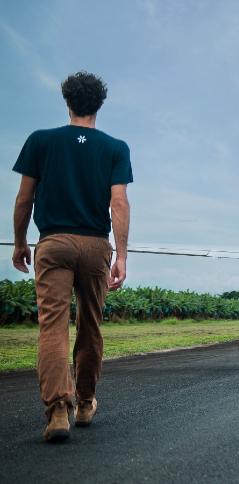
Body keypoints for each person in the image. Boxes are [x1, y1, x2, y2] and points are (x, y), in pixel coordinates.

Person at [11, 71, 133, 442]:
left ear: (67, 102)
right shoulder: (115, 148)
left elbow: (23, 199)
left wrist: (20, 242)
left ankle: (57, 410)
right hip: (96, 245)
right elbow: (119, 202)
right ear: (99, 105)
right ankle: (84, 402)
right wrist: (122, 256)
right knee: (91, 326)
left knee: (53, 327)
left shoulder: (40, 141)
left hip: (54, 242)